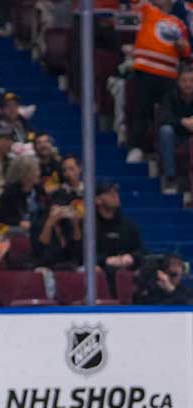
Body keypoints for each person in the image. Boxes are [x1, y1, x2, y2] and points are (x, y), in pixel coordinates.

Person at [125, 0, 190, 164]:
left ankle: (157, 152)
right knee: (142, 111)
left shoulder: (179, 23)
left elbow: (186, 51)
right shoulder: (147, 9)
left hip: (168, 75)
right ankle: (136, 148)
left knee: (165, 116)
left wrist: (183, 46)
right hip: (146, 70)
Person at [94, 182, 146, 278]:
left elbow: (141, 250)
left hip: (126, 270)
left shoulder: (128, 224)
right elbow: (81, 255)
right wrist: (105, 260)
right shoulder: (90, 226)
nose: (115, 195)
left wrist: (131, 257)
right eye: (109, 193)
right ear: (98, 200)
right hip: (101, 272)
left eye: (116, 192)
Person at [157, 66, 193, 194]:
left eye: (191, 80)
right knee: (165, 131)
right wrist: (183, 122)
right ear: (178, 82)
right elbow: (165, 117)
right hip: (176, 136)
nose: (188, 84)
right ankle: (170, 178)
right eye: (184, 80)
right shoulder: (170, 96)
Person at [31, 188, 84, 270]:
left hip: (68, 266)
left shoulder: (67, 223)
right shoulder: (39, 224)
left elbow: (77, 249)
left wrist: (75, 225)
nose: (61, 211)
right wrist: (50, 222)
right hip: (45, 265)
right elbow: (41, 250)